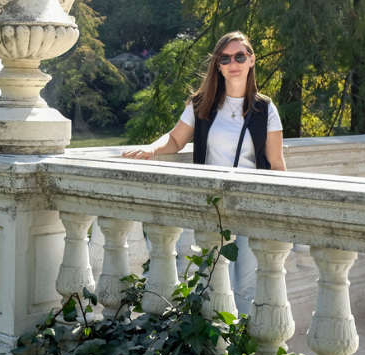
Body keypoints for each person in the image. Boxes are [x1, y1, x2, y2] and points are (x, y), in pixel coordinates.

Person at [123, 32, 288, 313]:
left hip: (251, 207)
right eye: (225, 58)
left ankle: (243, 351)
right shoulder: (202, 103)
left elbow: (275, 163)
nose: (232, 63)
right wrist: (152, 148)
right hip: (212, 206)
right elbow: (176, 140)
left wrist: (284, 210)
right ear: (218, 65)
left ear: (251, 60)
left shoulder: (265, 108)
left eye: (239, 56)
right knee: (208, 280)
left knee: (247, 284)